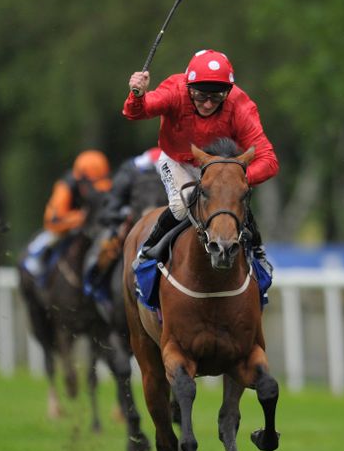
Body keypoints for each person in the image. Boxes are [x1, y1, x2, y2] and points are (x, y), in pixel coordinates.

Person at [124, 49, 279, 271]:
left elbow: (269, 160)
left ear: (228, 91)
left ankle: (258, 252)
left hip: (220, 169)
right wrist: (138, 95)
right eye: (200, 95)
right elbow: (135, 113)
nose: (207, 104)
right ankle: (149, 250)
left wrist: (237, 179)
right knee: (180, 206)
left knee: (234, 199)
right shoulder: (174, 90)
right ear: (188, 87)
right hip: (176, 160)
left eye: (217, 97)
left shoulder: (241, 105)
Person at [83, 147, 165, 297]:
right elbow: (109, 208)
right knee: (105, 245)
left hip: (166, 221)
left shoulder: (180, 168)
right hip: (131, 224)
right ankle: (94, 283)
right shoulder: (130, 172)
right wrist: (121, 217)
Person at [21, 150, 112, 281]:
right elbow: (53, 221)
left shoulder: (105, 187)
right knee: (48, 239)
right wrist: (80, 218)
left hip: (89, 228)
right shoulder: (65, 187)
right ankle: (36, 265)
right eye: (92, 186)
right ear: (81, 180)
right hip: (63, 229)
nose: (96, 193)